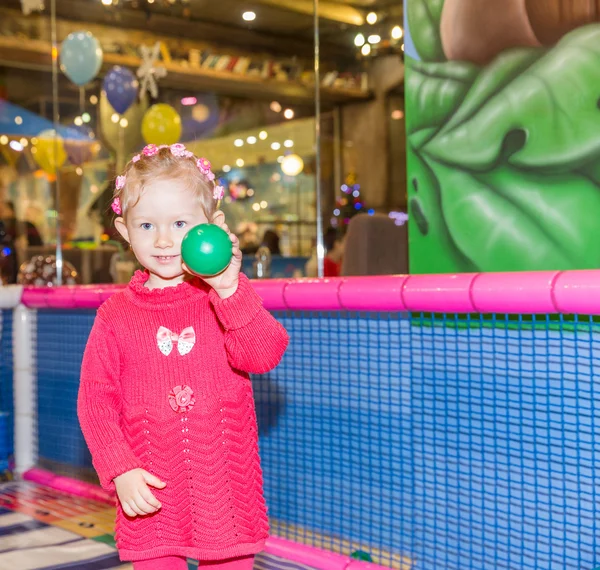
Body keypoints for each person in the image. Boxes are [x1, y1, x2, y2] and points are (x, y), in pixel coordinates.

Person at [77, 143, 289, 570]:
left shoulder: (223, 296)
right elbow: (95, 401)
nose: (163, 239)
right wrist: (120, 469)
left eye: (179, 222)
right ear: (123, 230)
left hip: (224, 490)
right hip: (151, 496)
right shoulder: (115, 316)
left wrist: (230, 290)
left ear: (212, 225)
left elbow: (264, 354)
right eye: (146, 225)